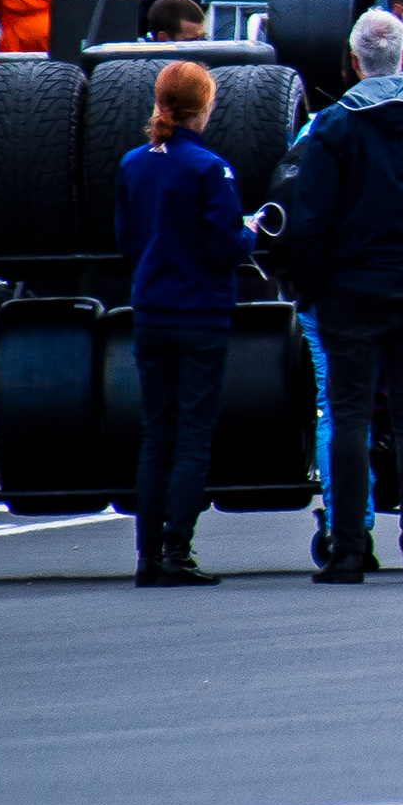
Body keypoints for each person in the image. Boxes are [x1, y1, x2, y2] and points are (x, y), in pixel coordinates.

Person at [273, 11, 403, 583]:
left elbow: (309, 222)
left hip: (349, 289)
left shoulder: (333, 127)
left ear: (354, 59)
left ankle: (347, 549)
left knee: (348, 415)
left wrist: (310, 290)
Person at [117, 60, 253, 585]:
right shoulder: (210, 168)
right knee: (194, 431)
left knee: (157, 433)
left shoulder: (134, 163)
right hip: (200, 312)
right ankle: (179, 547)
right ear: (205, 105)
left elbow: (125, 239)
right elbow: (224, 245)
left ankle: (147, 553)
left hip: (151, 309)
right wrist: (252, 235)